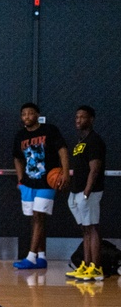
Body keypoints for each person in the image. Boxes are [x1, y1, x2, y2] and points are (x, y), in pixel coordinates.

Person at [12, 102, 69, 269]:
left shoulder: (49, 130)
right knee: (36, 219)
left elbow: (63, 150)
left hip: (47, 182)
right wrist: (20, 179)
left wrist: (65, 172)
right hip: (29, 183)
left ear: (37, 115)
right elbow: (17, 157)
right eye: (24, 114)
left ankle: (30, 257)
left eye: (30, 113)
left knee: (38, 216)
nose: (27, 117)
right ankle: (42, 257)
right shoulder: (20, 136)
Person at [65, 105, 106, 282]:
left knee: (93, 227)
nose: (78, 120)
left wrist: (87, 191)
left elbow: (94, 169)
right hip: (77, 191)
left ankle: (96, 269)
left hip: (89, 192)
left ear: (91, 119)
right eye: (76, 117)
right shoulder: (80, 142)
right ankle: (86, 265)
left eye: (82, 117)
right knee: (86, 229)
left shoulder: (95, 141)